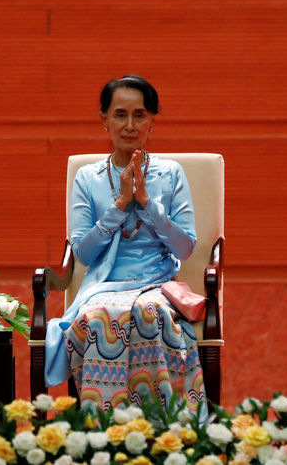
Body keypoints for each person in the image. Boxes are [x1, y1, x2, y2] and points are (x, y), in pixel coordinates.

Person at [45, 75, 206, 417]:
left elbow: (185, 249)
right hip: (103, 286)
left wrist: (147, 203)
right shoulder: (87, 178)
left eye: (139, 115)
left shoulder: (171, 173)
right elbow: (83, 254)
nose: (129, 125)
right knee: (100, 317)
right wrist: (119, 205)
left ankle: (165, 427)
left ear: (152, 121)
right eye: (120, 114)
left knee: (151, 313)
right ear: (104, 119)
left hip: (157, 283)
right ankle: (105, 428)